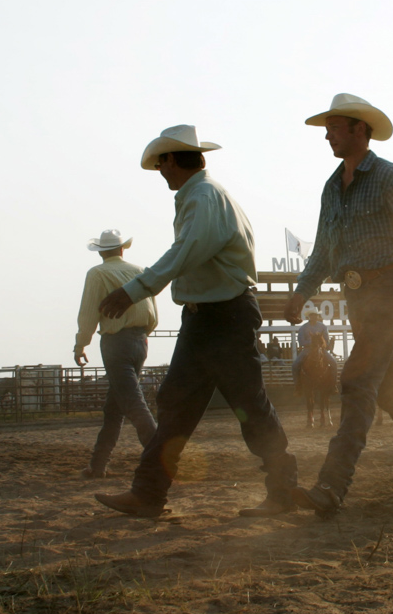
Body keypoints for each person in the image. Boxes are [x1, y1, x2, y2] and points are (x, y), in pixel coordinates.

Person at [94, 125, 297, 518]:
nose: (159, 171)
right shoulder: (207, 196)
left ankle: (282, 489)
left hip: (221, 316)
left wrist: (136, 289)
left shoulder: (203, 199)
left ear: (172, 159)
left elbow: (184, 253)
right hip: (210, 317)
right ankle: (149, 492)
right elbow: (189, 254)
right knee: (180, 404)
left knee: (242, 406)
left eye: (160, 163)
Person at [283, 93, 393, 517]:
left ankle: (332, 485)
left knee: (358, 382)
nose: (328, 136)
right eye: (327, 130)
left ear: (362, 130)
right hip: (358, 296)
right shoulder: (331, 187)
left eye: (335, 128)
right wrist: (303, 290)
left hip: (391, 289)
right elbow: (323, 250)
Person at [74, 229, 159, 478]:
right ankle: (97, 465)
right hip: (140, 340)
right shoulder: (139, 271)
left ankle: (161, 463)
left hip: (115, 342)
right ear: (123, 249)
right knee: (115, 407)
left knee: (133, 404)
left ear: (101, 251)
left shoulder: (98, 274)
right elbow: (152, 311)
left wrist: (81, 345)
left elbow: (89, 312)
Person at [292, 303, 331, 392]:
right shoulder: (303, 328)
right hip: (307, 349)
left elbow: (327, 340)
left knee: (334, 363)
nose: (314, 317)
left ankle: (333, 385)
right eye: (312, 315)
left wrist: (320, 344)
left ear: (317, 316)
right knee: (295, 365)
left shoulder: (323, 327)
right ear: (309, 316)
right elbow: (301, 341)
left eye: (316, 315)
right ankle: (297, 386)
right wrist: (313, 343)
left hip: (321, 349)